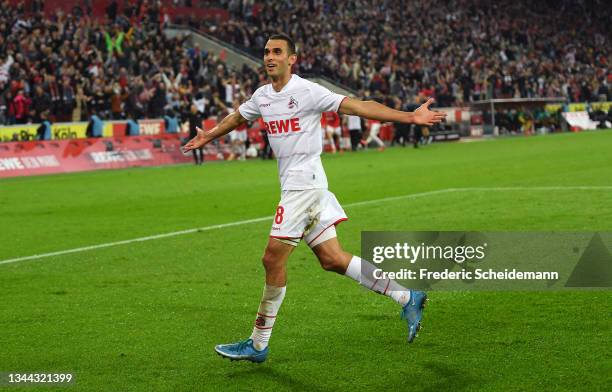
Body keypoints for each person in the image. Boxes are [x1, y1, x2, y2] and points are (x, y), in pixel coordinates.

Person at [183, 34, 446, 363]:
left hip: (303, 188)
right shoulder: (262, 96)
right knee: (332, 259)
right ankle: (407, 296)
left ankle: (258, 344)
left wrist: (409, 117)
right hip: (305, 188)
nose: (269, 57)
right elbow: (238, 116)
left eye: (277, 52)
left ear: (292, 59)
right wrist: (208, 134)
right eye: (266, 52)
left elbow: (358, 107)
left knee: (271, 260)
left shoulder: (307, 91)